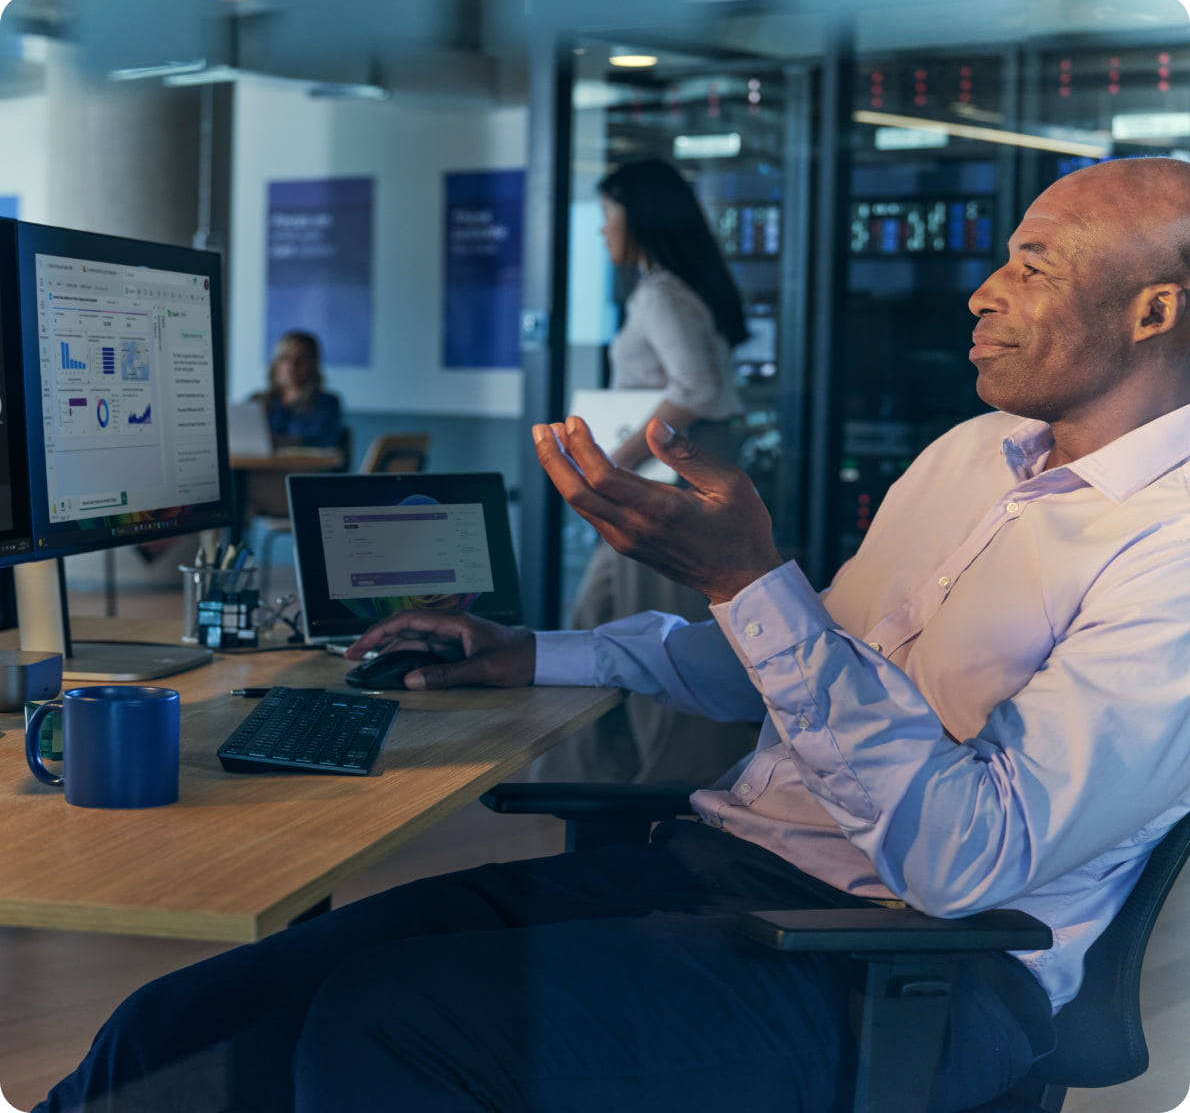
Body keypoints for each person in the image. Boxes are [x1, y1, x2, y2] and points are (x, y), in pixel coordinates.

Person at [30, 156, 1190, 1112]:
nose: (982, 290)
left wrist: (746, 580)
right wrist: (532, 651)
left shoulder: (1171, 548)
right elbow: (792, 672)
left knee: (388, 1038)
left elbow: (964, 860)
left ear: (1153, 309)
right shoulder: (964, 457)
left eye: (1029, 266)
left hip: (910, 964)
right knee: (186, 1021)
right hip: (711, 873)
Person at [540, 156, 759, 784]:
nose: (602, 229)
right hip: (677, 470)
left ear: (638, 219)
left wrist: (611, 465)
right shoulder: (674, 289)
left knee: (661, 640)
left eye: (608, 214)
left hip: (669, 477)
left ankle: (670, 788)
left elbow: (694, 387)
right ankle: (591, 779)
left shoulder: (662, 292)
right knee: (598, 618)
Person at [255, 330, 343, 450]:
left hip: (305, 467)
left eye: (300, 359)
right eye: (285, 358)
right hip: (255, 466)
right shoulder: (257, 401)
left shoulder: (327, 403)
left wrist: (280, 441)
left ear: (312, 364)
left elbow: (324, 441)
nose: (291, 365)